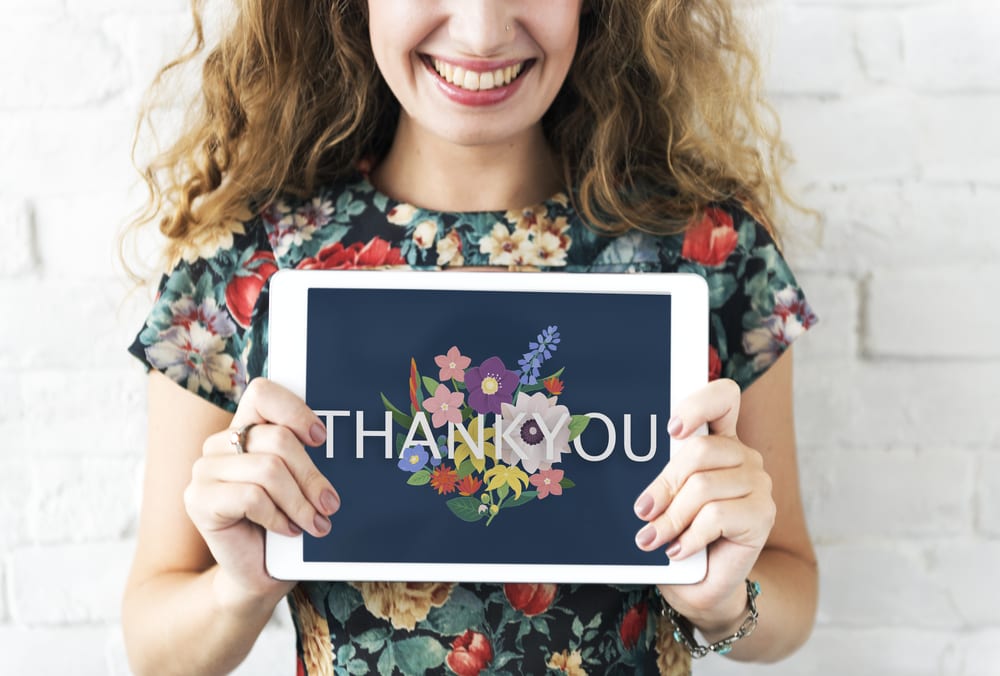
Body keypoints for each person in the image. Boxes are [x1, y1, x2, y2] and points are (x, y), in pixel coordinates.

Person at [121, 1, 819, 674]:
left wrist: (723, 600)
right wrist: (239, 587)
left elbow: (792, 592)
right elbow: (155, 649)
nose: (482, 31)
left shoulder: (713, 251)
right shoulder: (244, 261)